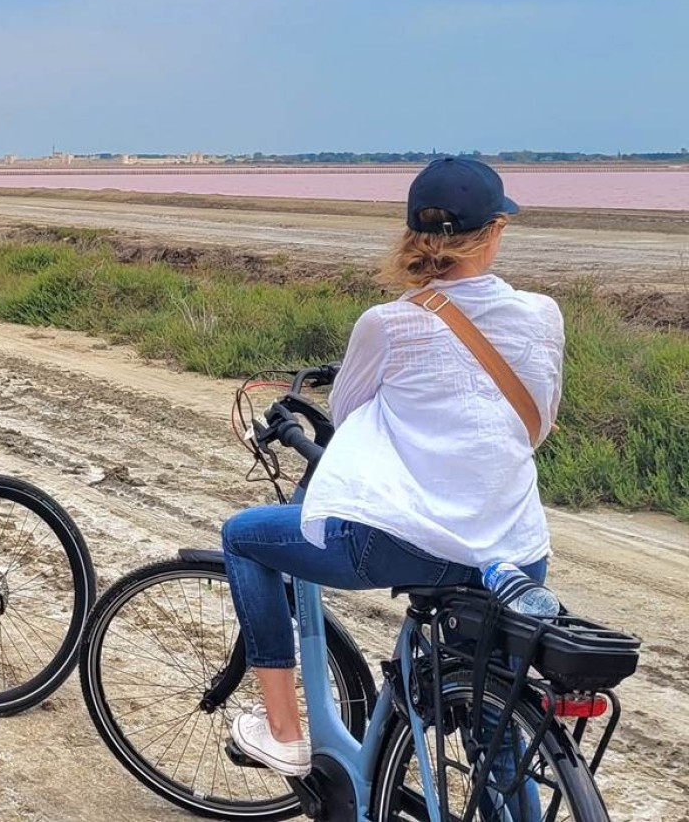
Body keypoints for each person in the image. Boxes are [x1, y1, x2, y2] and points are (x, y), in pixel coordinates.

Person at [221, 157, 564, 785]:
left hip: (408, 546)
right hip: (516, 554)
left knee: (244, 535)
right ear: (494, 232)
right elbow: (536, 425)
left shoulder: (388, 322)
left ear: (413, 236)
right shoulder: (543, 315)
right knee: (495, 726)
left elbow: (349, 413)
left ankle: (283, 731)